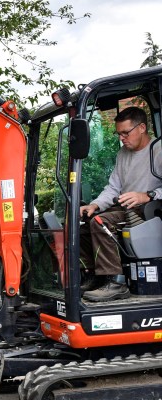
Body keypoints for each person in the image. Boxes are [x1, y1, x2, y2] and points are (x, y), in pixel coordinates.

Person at [79, 106, 162, 302]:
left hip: (150, 210)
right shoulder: (123, 153)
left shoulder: (158, 150)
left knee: (100, 222)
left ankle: (116, 282)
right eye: (119, 134)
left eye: (126, 132)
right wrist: (95, 205)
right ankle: (95, 276)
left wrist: (148, 195)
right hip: (127, 208)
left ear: (142, 127)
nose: (122, 138)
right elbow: (113, 188)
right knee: (84, 222)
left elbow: (150, 194)